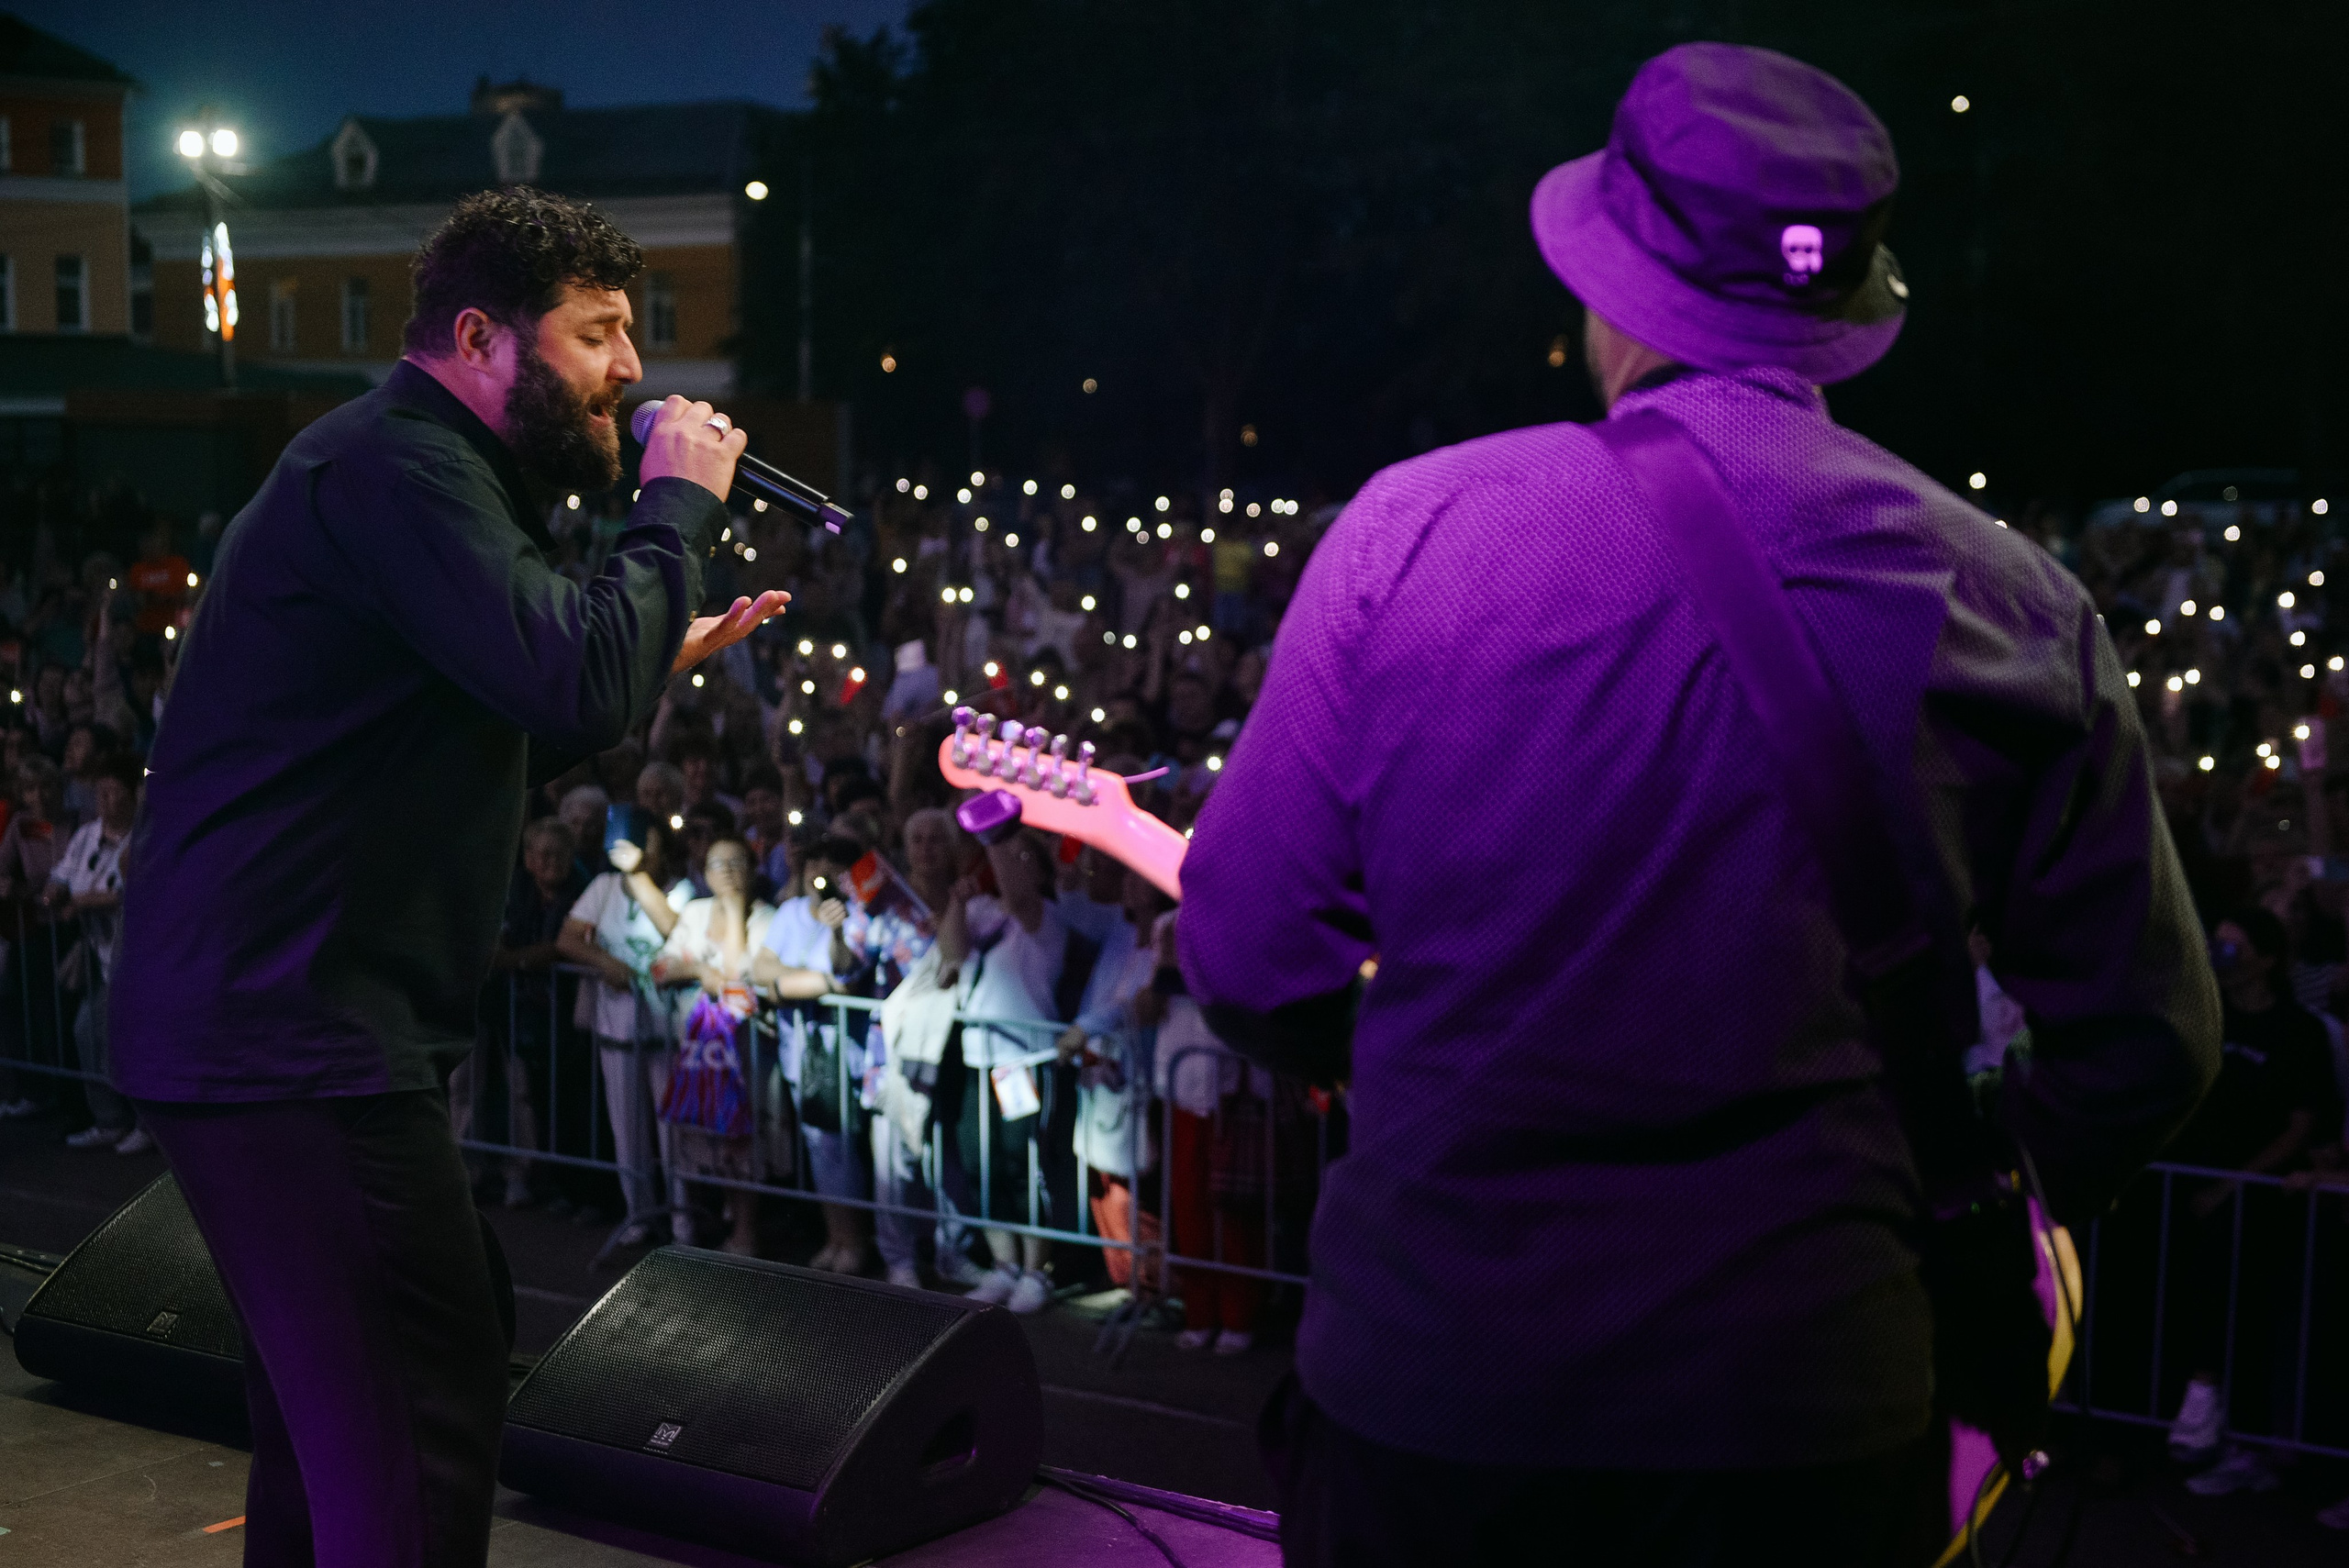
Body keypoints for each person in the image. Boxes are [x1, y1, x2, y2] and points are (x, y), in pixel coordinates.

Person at [1176, 45, 2220, 1565]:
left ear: (1610, 293)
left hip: (1437, 1401)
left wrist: (1454, 1063)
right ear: (1845, 307)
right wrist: (1974, 1152)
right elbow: (2151, 1043)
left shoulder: (1411, 534)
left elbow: (1254, 956)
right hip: (1809, 1420)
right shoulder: (2017, 602)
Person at [108, 186, 784, 1568]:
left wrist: (644, 647)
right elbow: (572, 671)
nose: (635, 371)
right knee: (419, 1403)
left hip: (262, 1027)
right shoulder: (402, 470)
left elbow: (509, 728)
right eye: (599, 333)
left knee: (348, 1409)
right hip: (298, 1039)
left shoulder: (402, 472)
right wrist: (673, 510)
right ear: (481, 338)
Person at [2162, 907, 2340, 1496]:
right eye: (2216, 945)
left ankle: (2244, 1437)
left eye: (2234, 949)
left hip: (2261, 1198)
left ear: (2265, 959)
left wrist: (2232, 1186)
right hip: (2189, 1184)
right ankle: (2197, 1410)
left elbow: (2300, 1124)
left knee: (2255, 1315)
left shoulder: (2299, 1030)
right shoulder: (2204, 1018)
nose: (2220, 957)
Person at [934, 822, 1066, 1315]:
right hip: (977, 1058)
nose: (1011, 865)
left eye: (1023, 857)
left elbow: (1017, 890)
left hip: (1023, 1061)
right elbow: (951, 953)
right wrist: (957, 901)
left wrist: (996, 840)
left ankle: (1037, 1270)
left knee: (1024, 1164)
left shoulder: (1044, 918)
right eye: (1005, 856)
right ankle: (1004, 1265)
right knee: (980, 1164)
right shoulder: (983, 913)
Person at [558, 821, 694, 1241]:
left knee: (673, 1132)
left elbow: (673, 927)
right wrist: (604, 963)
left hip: (666, 1030)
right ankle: (639, 1214)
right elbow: (567, 938)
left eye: (647, 846)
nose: (638, 853)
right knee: (626, 1129)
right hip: (616, 1026)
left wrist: (636, 876)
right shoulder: (603, 886)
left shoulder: (681, 888)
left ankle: (681, 1218)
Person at [647, 837, 776, 1254]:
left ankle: (747, 1232)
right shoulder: (695, 911)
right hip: (697, 1051)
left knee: (743, 1141)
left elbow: (741, 977)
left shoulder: (766, 918)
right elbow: (661, 968)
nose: (726, 872)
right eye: (717, 863)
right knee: (702, 1140)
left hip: (746, 1054)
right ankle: (703, 1227)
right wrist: (702, 968)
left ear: (753, 870)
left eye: (736, 863)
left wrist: (736, 910)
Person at [52, 752, 144, 1153]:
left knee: (133, 1039)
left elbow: (130, 891)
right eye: (100, 791)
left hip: (136, 959)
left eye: (113, 790)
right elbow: (63, 874)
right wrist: (56, 890)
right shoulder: (88, 834)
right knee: (88, 1030)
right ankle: (110, 1119)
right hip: (102, 959)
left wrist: (83, 900)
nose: (105, 799)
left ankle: (147, 1123)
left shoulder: (142, 834)